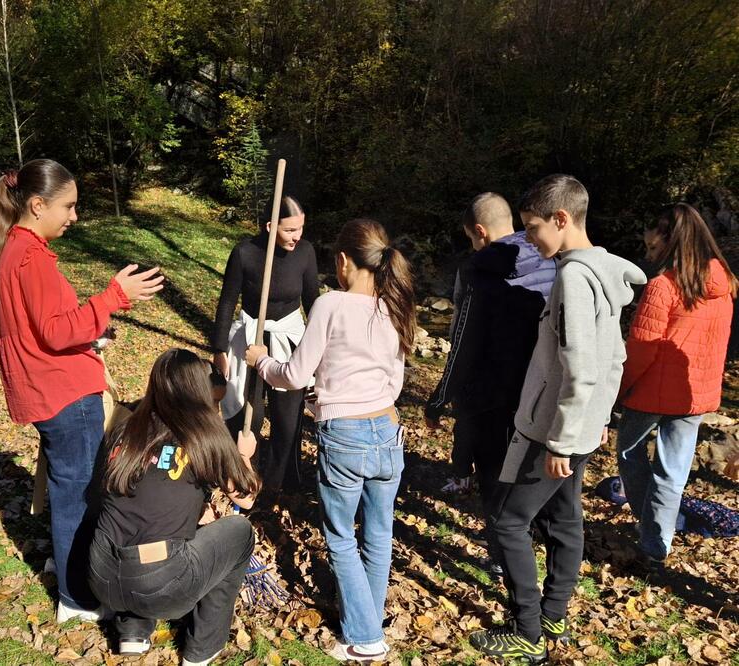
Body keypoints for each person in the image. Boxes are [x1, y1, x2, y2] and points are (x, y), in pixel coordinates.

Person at [468, 175, 646, 663]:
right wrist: (595, 421)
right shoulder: (603, 271)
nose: (528, 239)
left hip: (555, 431)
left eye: (532, 228)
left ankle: (527, 631)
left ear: (561, 219)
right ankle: (553, 614)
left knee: (509, 523)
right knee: (565, 517)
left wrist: (561, 442)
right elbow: (615, 359)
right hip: (581, 427)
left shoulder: (574, 279)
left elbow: (582, 368)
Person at [0, 159, 164, 623]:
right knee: (77, 496)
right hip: (65, 395)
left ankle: (66, 568)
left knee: (68, 488)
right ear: (37, 205)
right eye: (69, 206)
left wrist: (92, 332)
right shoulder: (30, 257)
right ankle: (77, 596)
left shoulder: (18, 249)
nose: (75, 216)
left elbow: (44, 328)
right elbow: (56, 332)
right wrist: (112, 296)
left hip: (51, 386)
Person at [246, 218, 415, 662]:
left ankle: (365, 638)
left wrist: (261, 360)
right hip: (388, 430)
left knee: (341, 538)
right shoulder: (394, 305)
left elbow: (294, 375)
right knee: (378, 535)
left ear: (342, 261)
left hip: (346, 436)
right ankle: (368, 620)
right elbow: (394, 383)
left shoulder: (330, 304)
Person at [88, 349, 259, 665]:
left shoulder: (126, 427)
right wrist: (244, 456)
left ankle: (132, 631)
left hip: (101, 574)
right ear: (198, 388)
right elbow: (246, 498)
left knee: (137, 523)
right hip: (160, 586)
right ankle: (202, 648)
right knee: (240, 532)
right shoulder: (205, 436)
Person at [425, 193, 555, 574]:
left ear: (480, 232)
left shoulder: (478, 269)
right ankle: (544, 553)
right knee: (533, 477)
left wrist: (440, 397)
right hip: (542, 388)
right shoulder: (550, 255)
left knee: (495, 478)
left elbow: (464, 338)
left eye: (471, 238)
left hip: (493, 394)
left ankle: (503, 558)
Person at [616, 203, 736, 564]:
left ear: (669, 240)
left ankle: (650, 529)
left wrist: (620, 389)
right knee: (673, 471)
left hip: (650, 392)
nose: (649, 253)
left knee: (629, 454)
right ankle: (657, 543)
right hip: (694, 394)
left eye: (653, 245)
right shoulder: (724, 285)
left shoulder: (663, 286)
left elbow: (641, 348)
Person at [211, 196, 319, 492]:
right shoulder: (244, 253)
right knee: (248, 415)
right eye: (290, 230)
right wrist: (219, 349)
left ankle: (283, 483)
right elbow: (227, 301)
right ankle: (242, 478)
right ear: (270, 226)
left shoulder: (305, 252)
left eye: (300, 228)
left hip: (288, 339)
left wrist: (320, 349)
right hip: (251, 339)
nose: (297, 236)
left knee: (287, 418)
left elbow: (313, 302)